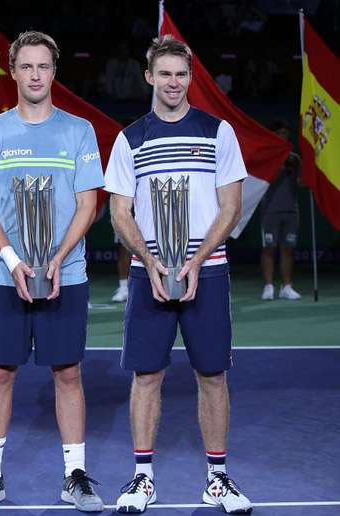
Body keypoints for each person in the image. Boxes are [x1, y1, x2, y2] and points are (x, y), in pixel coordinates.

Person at [106, 35, 253, 514]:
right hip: (149, 275)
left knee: (212, 375)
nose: (173, 82)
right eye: (164, 73)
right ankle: (142, 479)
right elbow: (120, 213)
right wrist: (152, 263)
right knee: (146, 375)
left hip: (206, 272)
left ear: (190, 78)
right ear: (149, 77)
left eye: (181, 74)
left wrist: (194, 260)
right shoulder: (131, 138)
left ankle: (217, 479)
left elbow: (230, 207)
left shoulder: (218, 132)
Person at [0, 31, 104, 513]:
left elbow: (89, 203)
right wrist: (12, 260)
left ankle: (75, 476)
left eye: (44, 66)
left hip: (69, 273)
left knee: (68, 372)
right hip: (7, 277)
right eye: (27, 67)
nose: (36, 75)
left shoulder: (79, 130)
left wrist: (59, 258)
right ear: (14, 71)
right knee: (0, 372)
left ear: (53, 71)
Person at [259, 121, 301, 300]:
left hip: (291, 210)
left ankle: (286, 286)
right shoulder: (265, 156)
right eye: (279, 133)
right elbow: (267, 179)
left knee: (288, 249)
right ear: (272, 135)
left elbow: (301, 183)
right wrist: (280, 163)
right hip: (270, 211)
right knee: (269, 248)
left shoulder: (294, 158)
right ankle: (268, 286)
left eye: (285, 133)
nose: (283, 136)